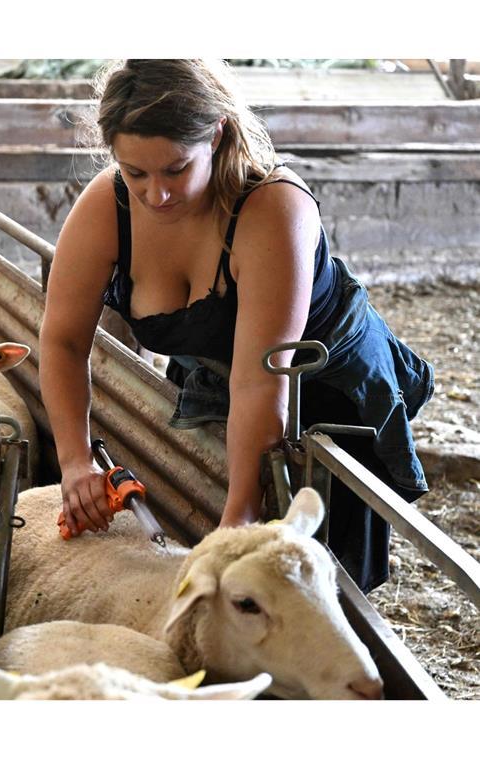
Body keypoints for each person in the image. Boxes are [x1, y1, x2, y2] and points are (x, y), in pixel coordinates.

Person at [39, 59, 434, 592]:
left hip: (319, 388)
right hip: (214, 371)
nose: (156, 194)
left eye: (177, 169)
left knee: (314, 577)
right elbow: (63, 341)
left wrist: (241, 514)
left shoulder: (272, 207)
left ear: (217, 134)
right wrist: (75, 460)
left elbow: (260, 379)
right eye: (136, 173)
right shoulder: (108, 206)